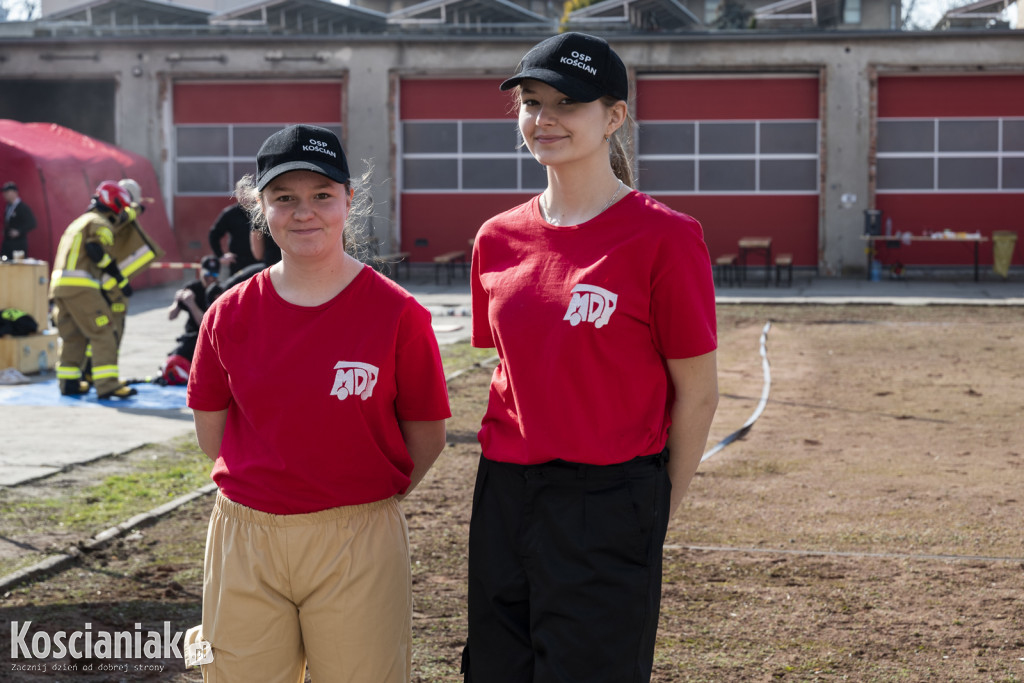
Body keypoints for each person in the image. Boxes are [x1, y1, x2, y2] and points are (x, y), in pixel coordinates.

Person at [463, 33, 720, 683]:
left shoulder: (665, 237)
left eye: (566, 103)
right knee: (495, 669)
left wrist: (656, 506)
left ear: (613, 117)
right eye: (531, 101)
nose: (543, 118)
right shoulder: (497, 239)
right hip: (505, 492)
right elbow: (515, 371)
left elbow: (699, 392)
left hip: (609, 499)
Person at [187, 124, 451, 682]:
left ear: (349, 201)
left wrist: (357, 497)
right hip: (247, 536)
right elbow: (211, 430)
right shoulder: (228, 315)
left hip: (359, 535)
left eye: (321, 196)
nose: (304, 212)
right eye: (285, 198)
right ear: (261, 209)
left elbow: (426, 434)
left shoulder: (397, 314)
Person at [49, 181, 138, 399]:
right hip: (82, 287)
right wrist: (120, 279)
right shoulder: (100, 223)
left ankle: (68, 383)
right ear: (115, 204)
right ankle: (108, 385)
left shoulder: (77, 223)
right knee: (104, 332)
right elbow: (95, 249)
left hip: (59, 288)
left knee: (73, 336)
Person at [160, 255, 220, 385]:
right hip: (192, 337)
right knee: (174, 359)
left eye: (214, 274)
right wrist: (177, 301)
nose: (210, 278)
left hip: (211, 338)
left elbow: (206, 326)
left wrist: (192, 305)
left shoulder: (219, 292)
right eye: (207, 274)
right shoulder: (193, 288)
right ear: (201, 272)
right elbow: (171, 316)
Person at [207, 202, 257, 275]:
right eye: (242, 191)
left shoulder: (262, 211)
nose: (245, 194)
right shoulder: (230, 213)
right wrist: (220, 256)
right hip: (238, 264)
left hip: (261, 264)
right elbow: (214, 235)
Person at [2, 181, 37, 260]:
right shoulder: (8, 206)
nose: (5, 194)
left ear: (15, 192)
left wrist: (19, 231)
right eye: (4, 192)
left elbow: (32, 223)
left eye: (7, 192)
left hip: (18, 244)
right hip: (7, 242)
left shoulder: (22, 207)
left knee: (17, 266)